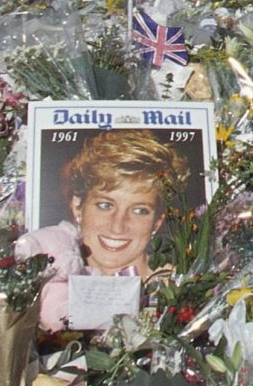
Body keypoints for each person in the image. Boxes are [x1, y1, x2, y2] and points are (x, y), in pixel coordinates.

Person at [17, 130, 187, 330]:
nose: (118, 225)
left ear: (157, 222)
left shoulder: (177, 287)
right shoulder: (45, 285)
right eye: (105, 205)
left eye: (139, 210)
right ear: (78, 206)